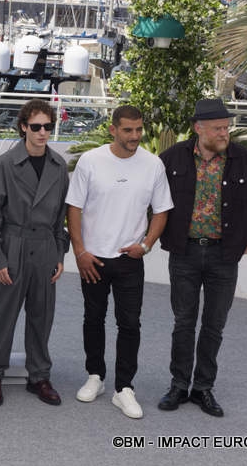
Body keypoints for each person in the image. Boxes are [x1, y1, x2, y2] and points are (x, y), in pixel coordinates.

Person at [157, 98, 247, 417]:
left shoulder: (243, 159)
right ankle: (179, 385)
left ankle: (203, 387)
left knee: (214, 325)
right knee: (183, 322)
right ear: (199, 128)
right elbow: (148, 197)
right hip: (184, 253)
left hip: (224, 255)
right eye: (218, 128)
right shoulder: (172, 158)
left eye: (227, 127)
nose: (225, 133)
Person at [65, 105, 174, 419]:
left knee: (129, 324)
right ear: (113, 129)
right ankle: (95, 376)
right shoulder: (91, 161)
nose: (134, 136)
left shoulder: (153, 164)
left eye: (139, 129)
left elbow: (162, 210)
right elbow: (74, 208)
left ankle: (124, 388)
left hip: (130, 260)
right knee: (93, 318)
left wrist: (146, 244)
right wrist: (80, 252)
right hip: (93, 258)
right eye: (128, 130)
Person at [0, 99, 69, 407]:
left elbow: (60, 218)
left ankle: (39, 376)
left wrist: (59, 254)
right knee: (3, 314)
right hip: (13, 244)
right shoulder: (5, 164)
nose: (43, 132)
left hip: (45, 247)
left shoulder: (59, 166)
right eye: (36, 126)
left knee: (42, 315)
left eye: (48, 126)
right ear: (23, 127)